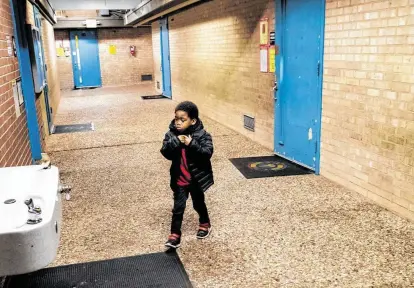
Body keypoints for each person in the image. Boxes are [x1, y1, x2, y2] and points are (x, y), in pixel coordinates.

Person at [161, 101, 214, 249]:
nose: (178, 122)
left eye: (182, 120)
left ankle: (205, 223)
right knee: (178, 208)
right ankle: (174, 235)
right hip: (180, 179)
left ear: (193, 121)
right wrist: (176, 142)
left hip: (196, 179)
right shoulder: (171, 134)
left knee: (198, 203)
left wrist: (192, 144)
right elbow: (165, 152)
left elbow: (207, 154)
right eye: (176, 118)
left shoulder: (202, 135)